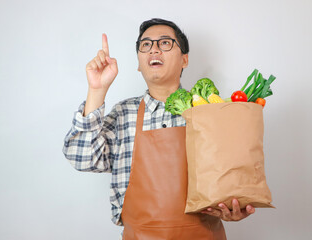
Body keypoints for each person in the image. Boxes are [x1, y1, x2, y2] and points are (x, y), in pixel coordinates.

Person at [63, 18, 255, 240]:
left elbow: (231, 180)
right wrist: (97, 90)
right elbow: (81, 158)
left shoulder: (211, 112)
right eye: (146, 45)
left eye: (165, 43)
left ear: (184, 59)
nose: (154, 49)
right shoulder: (124, 114)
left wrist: (234, 205)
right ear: (138, 62)